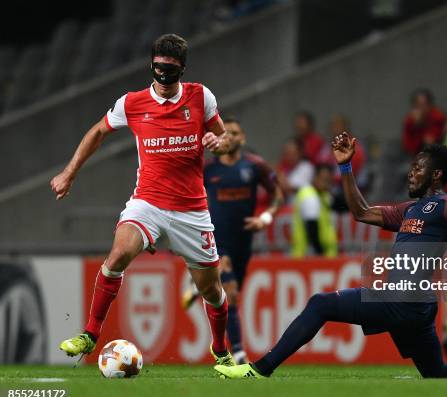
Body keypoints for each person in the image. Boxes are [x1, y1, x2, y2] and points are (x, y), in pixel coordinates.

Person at [213, 133, 447, 380]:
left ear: (436, 175)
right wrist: (345, 168)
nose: (411, 173)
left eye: (418, 168)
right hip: (412, 308)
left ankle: (259, 371)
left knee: (320, 303)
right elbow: (360, 211)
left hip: (404, 301)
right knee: (437, 374)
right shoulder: (410, 209)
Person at [50, 34, 236, 368]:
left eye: (172, 73)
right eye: (160, 70)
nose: (165, 80)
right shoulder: (132, 103)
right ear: (152, 65)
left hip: (192, 210)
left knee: (211, 290)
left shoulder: (200, 96)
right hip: (147, 203)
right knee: (119, 253)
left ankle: (221, 349)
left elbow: (224, 138)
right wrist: (69, 172)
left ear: (181, 70)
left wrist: (217, 141)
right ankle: (90, 334)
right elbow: (97, 131)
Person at [182, 117, 284, 363]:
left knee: (232, 294)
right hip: (217, 241)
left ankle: (200, 285)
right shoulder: (207, 169)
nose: (229, 137)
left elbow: (278, 194)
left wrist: (266, 218)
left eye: (235, 133)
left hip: (243, 242)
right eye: (225, 133)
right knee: (232, 293)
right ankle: (238, 353)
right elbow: (185, 197)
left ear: (243, 138)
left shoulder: (256, 166)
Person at [291, 164, 338, 258]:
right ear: (315, 178)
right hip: (309, 256)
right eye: (324, 180)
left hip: (323, 256)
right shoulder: (310, 197)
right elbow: (312, 229)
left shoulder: (323, 195)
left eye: (329, 181)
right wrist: (319, 254)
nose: (327, 184)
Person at [401, 89, 446, 155]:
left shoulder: (438, 117)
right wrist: (417, 125)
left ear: (430, 105)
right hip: (414, 154)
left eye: (423, 105)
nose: (421, 109)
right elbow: (408, 146)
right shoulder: (409, 121)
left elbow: (432, 139)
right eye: (418, 105)